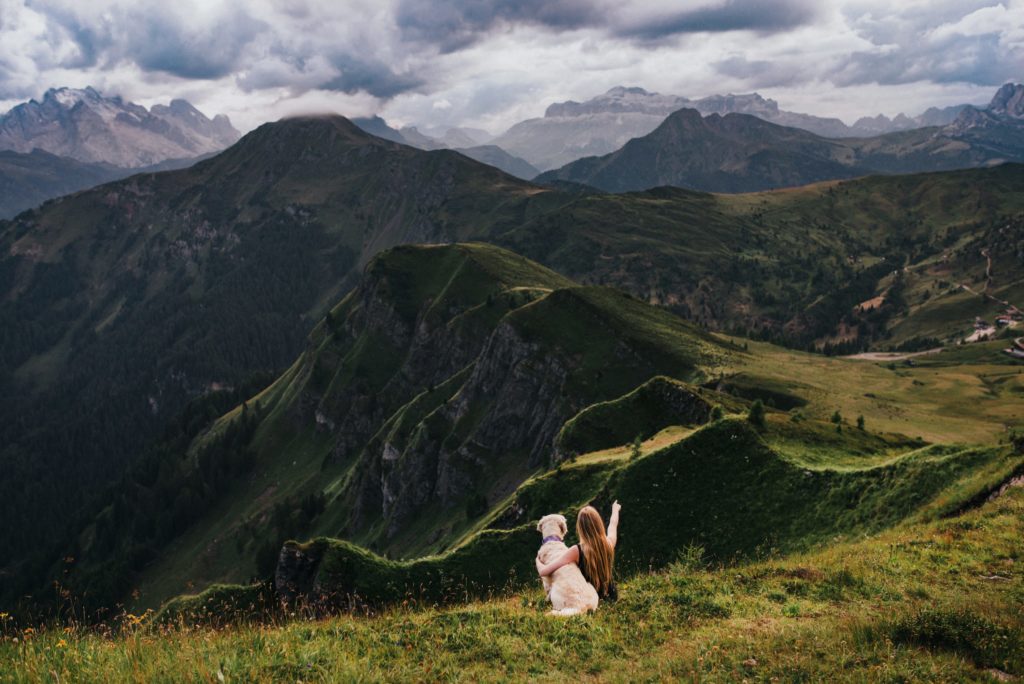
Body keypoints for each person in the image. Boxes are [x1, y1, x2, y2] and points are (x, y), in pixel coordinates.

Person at [535, 500, 621, 601]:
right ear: (599, 523)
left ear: (580, 527)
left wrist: (537, 559)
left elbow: (544, 571)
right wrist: (615, 510)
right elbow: (613, 524)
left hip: (591, 598)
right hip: (612, 595)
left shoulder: (576, 550)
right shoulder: (609, 543)